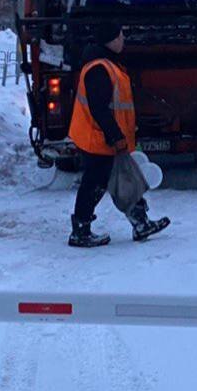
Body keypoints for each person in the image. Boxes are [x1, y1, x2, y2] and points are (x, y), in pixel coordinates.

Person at [66, 22, 170, 248]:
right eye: (120, 35)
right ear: (111, 40)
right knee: (95, 182)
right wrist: (115, 136)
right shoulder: (99, 69)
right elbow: (99, 108)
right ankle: (80, 230)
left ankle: (140, 223)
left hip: (104, 137)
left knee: (124, 177)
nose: (123, 39)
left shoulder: (109, 65)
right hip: (97, 138)